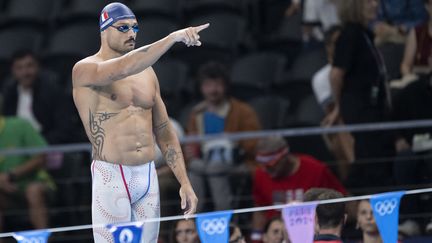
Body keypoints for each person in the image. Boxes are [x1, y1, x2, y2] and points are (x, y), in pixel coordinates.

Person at [71, 2, 207, 242]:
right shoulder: (85, 69)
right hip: (111, 176)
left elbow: (164, 131)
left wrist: (184, 182)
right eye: (123, 28)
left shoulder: (148, 73)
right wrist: (173, 37)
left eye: (135, 28)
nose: (131, 33)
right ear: (104, 29)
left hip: (148, 174)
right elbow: (123, 67)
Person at [330, 0, 394, 188]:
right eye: (369, 1)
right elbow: (335, 75)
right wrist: (338, 106)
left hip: (373, 108)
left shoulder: (364, 34)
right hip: (360, 108)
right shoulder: (350, 34)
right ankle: (358, 204)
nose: (375, 4)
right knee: (370, 164)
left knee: (377, 158)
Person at [185, 62, 261, 211]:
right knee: (194, 167)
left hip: (237, 163)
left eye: (217, 84)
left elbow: (255, 144)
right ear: (201, 87)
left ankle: (224, 217)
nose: (213, 90)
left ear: (225, 86)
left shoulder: (242, 111)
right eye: (208, 85)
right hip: (206, 162)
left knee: (215, 168)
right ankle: (192, 217)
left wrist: (235, 142)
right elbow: (190, 143)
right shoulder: (197, 114)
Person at [251, 136, 346, 241]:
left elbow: (340, 201)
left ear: (285, 156)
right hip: (275, 236)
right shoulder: (261, 174)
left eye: (270, 164)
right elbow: (260, 210)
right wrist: (255, 239)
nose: (266, 169)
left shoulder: (315, 170)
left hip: (314, 235)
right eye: (262, 165)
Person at [0, 96, 54, 235]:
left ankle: (42, 239)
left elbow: (41, 156)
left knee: (33, 191)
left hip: (37, 184)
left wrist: (12, 174)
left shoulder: (19, 125)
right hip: (7, 194)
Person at [2, 49, 71, 144]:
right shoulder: (9, 95)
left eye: (29, 66)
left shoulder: (53, 92)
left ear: (38, 67)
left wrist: (39, 144)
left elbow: (64, 129)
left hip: (47, 145)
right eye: (19, 68)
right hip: (17, 147)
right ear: (13, 71)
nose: (25, 72)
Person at [312, 25, 355, 180]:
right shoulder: (321, 77)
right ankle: (355, 171)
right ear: (328, 47)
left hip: (361, 115)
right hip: (337, 123)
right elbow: (332, 113)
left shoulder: (359, 68)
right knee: (339, 126)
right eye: (337, 43)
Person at [400, 0, 432, 78]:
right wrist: (410, 77)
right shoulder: (417, 32)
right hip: (419, 82)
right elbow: (405, 65)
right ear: (427, 6)